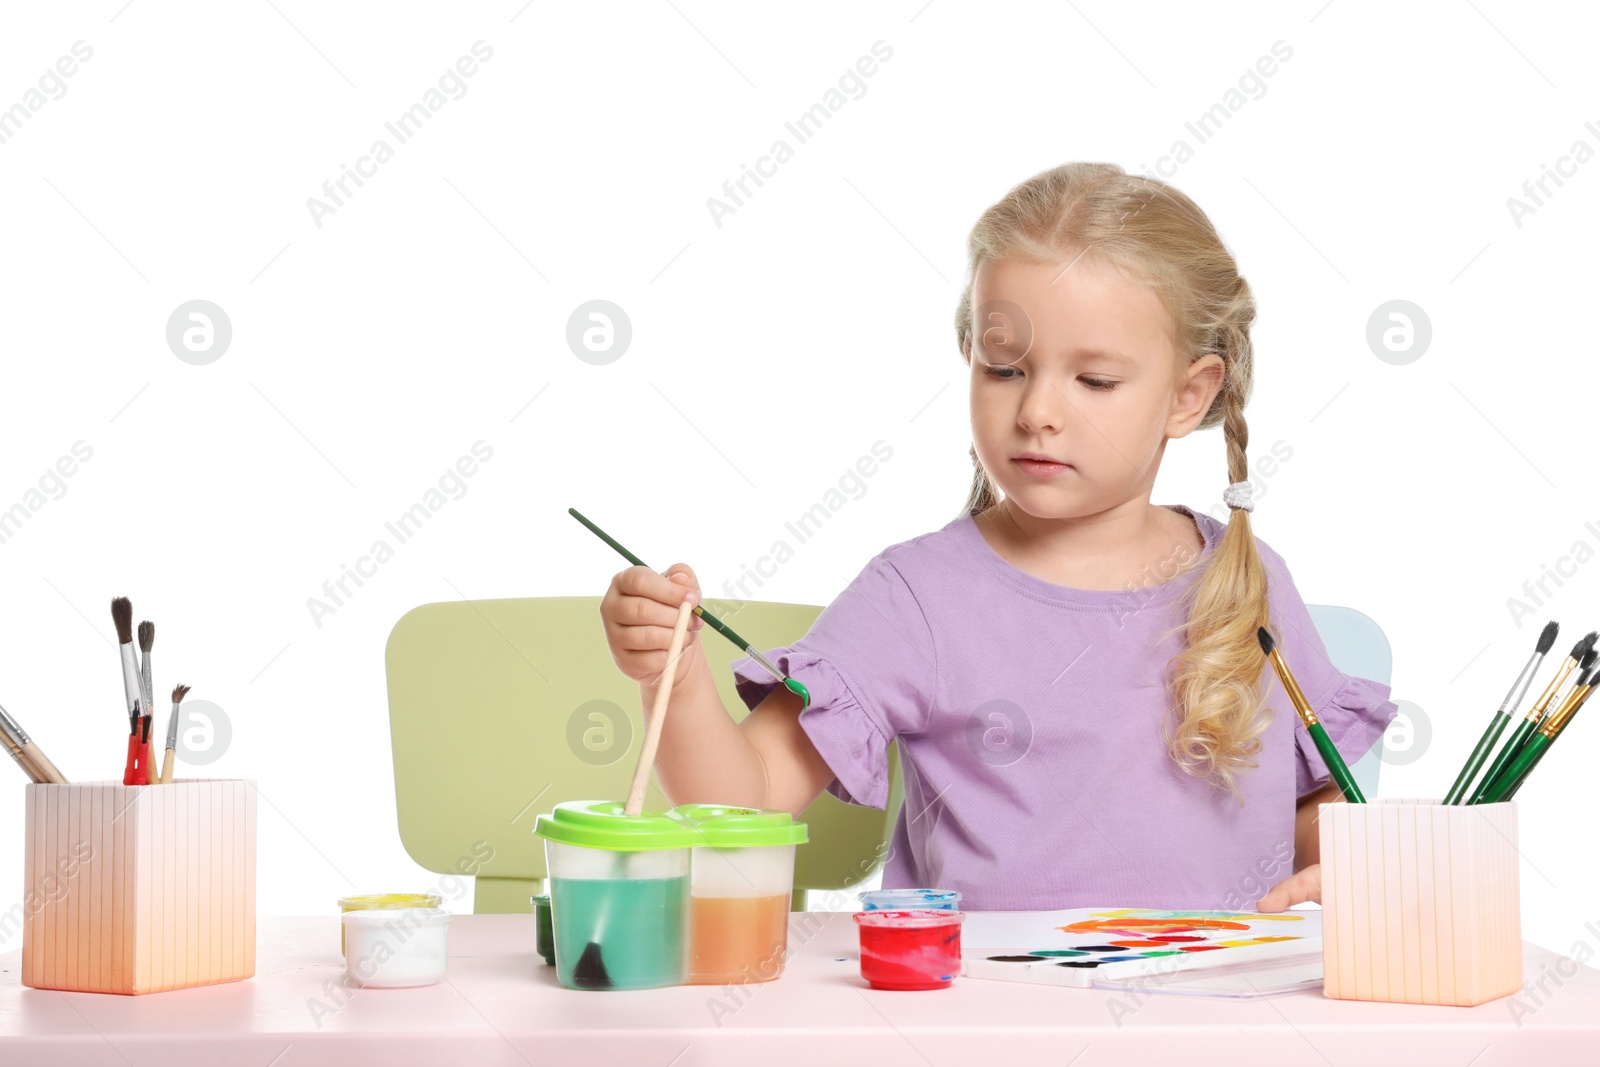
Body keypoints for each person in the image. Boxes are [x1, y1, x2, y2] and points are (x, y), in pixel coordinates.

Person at [599, 162, 1397, 912]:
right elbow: (745, 797)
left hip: (1212, 1022)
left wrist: (1356, 863)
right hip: (986, 1023)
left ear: (1189, 396)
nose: (1037, 410)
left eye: (1094, 380)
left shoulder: (1248, 579)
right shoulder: (917, 596)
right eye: (1005, 367)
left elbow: (1311, 803)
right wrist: (671, 679)